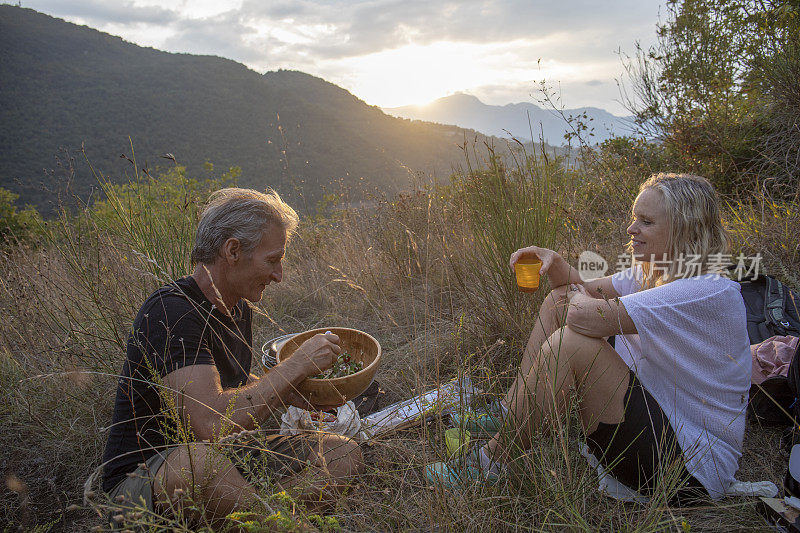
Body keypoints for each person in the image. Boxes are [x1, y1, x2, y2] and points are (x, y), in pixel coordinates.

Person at [429, 173, 751, 502]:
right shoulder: (652, 271)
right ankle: (509, 411)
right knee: (557, 301)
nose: (631, 229)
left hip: (688, 470)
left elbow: (583, 315)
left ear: (685, 230)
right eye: (633, 217)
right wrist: (552, 261)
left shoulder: (707, 291)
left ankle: (487, 465)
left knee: (571, 342)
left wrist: (577, 297)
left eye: (646, 221)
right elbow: (580, 286)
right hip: (657, 423)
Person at [100, 188, 364, 524]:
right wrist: (295, 365)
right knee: (198, 465)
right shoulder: (172, 311)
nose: (279, 275)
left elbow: (233, 388)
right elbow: (210, 423)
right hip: (147, 476)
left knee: (343, 453)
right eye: (273, 259)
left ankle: (262, 519)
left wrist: (298, 396)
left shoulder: (237, 307)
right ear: (233, 250)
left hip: (224, 456)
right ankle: (280, 524)